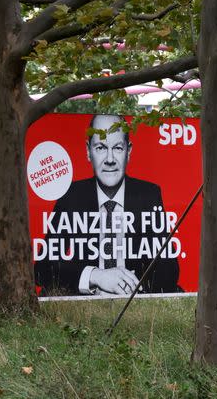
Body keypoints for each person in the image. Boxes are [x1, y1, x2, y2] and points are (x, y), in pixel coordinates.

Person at [36, 114, 180, 296]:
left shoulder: (148, 195)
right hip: (85, 301)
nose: (110, 159)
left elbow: (169, 269)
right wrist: (95, 276)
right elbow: (43, 269)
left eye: (118, 148)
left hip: (134, 300)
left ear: (129, 151)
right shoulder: (71, 196)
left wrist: (128, 286)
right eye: (101, 147)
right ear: (88, 151)